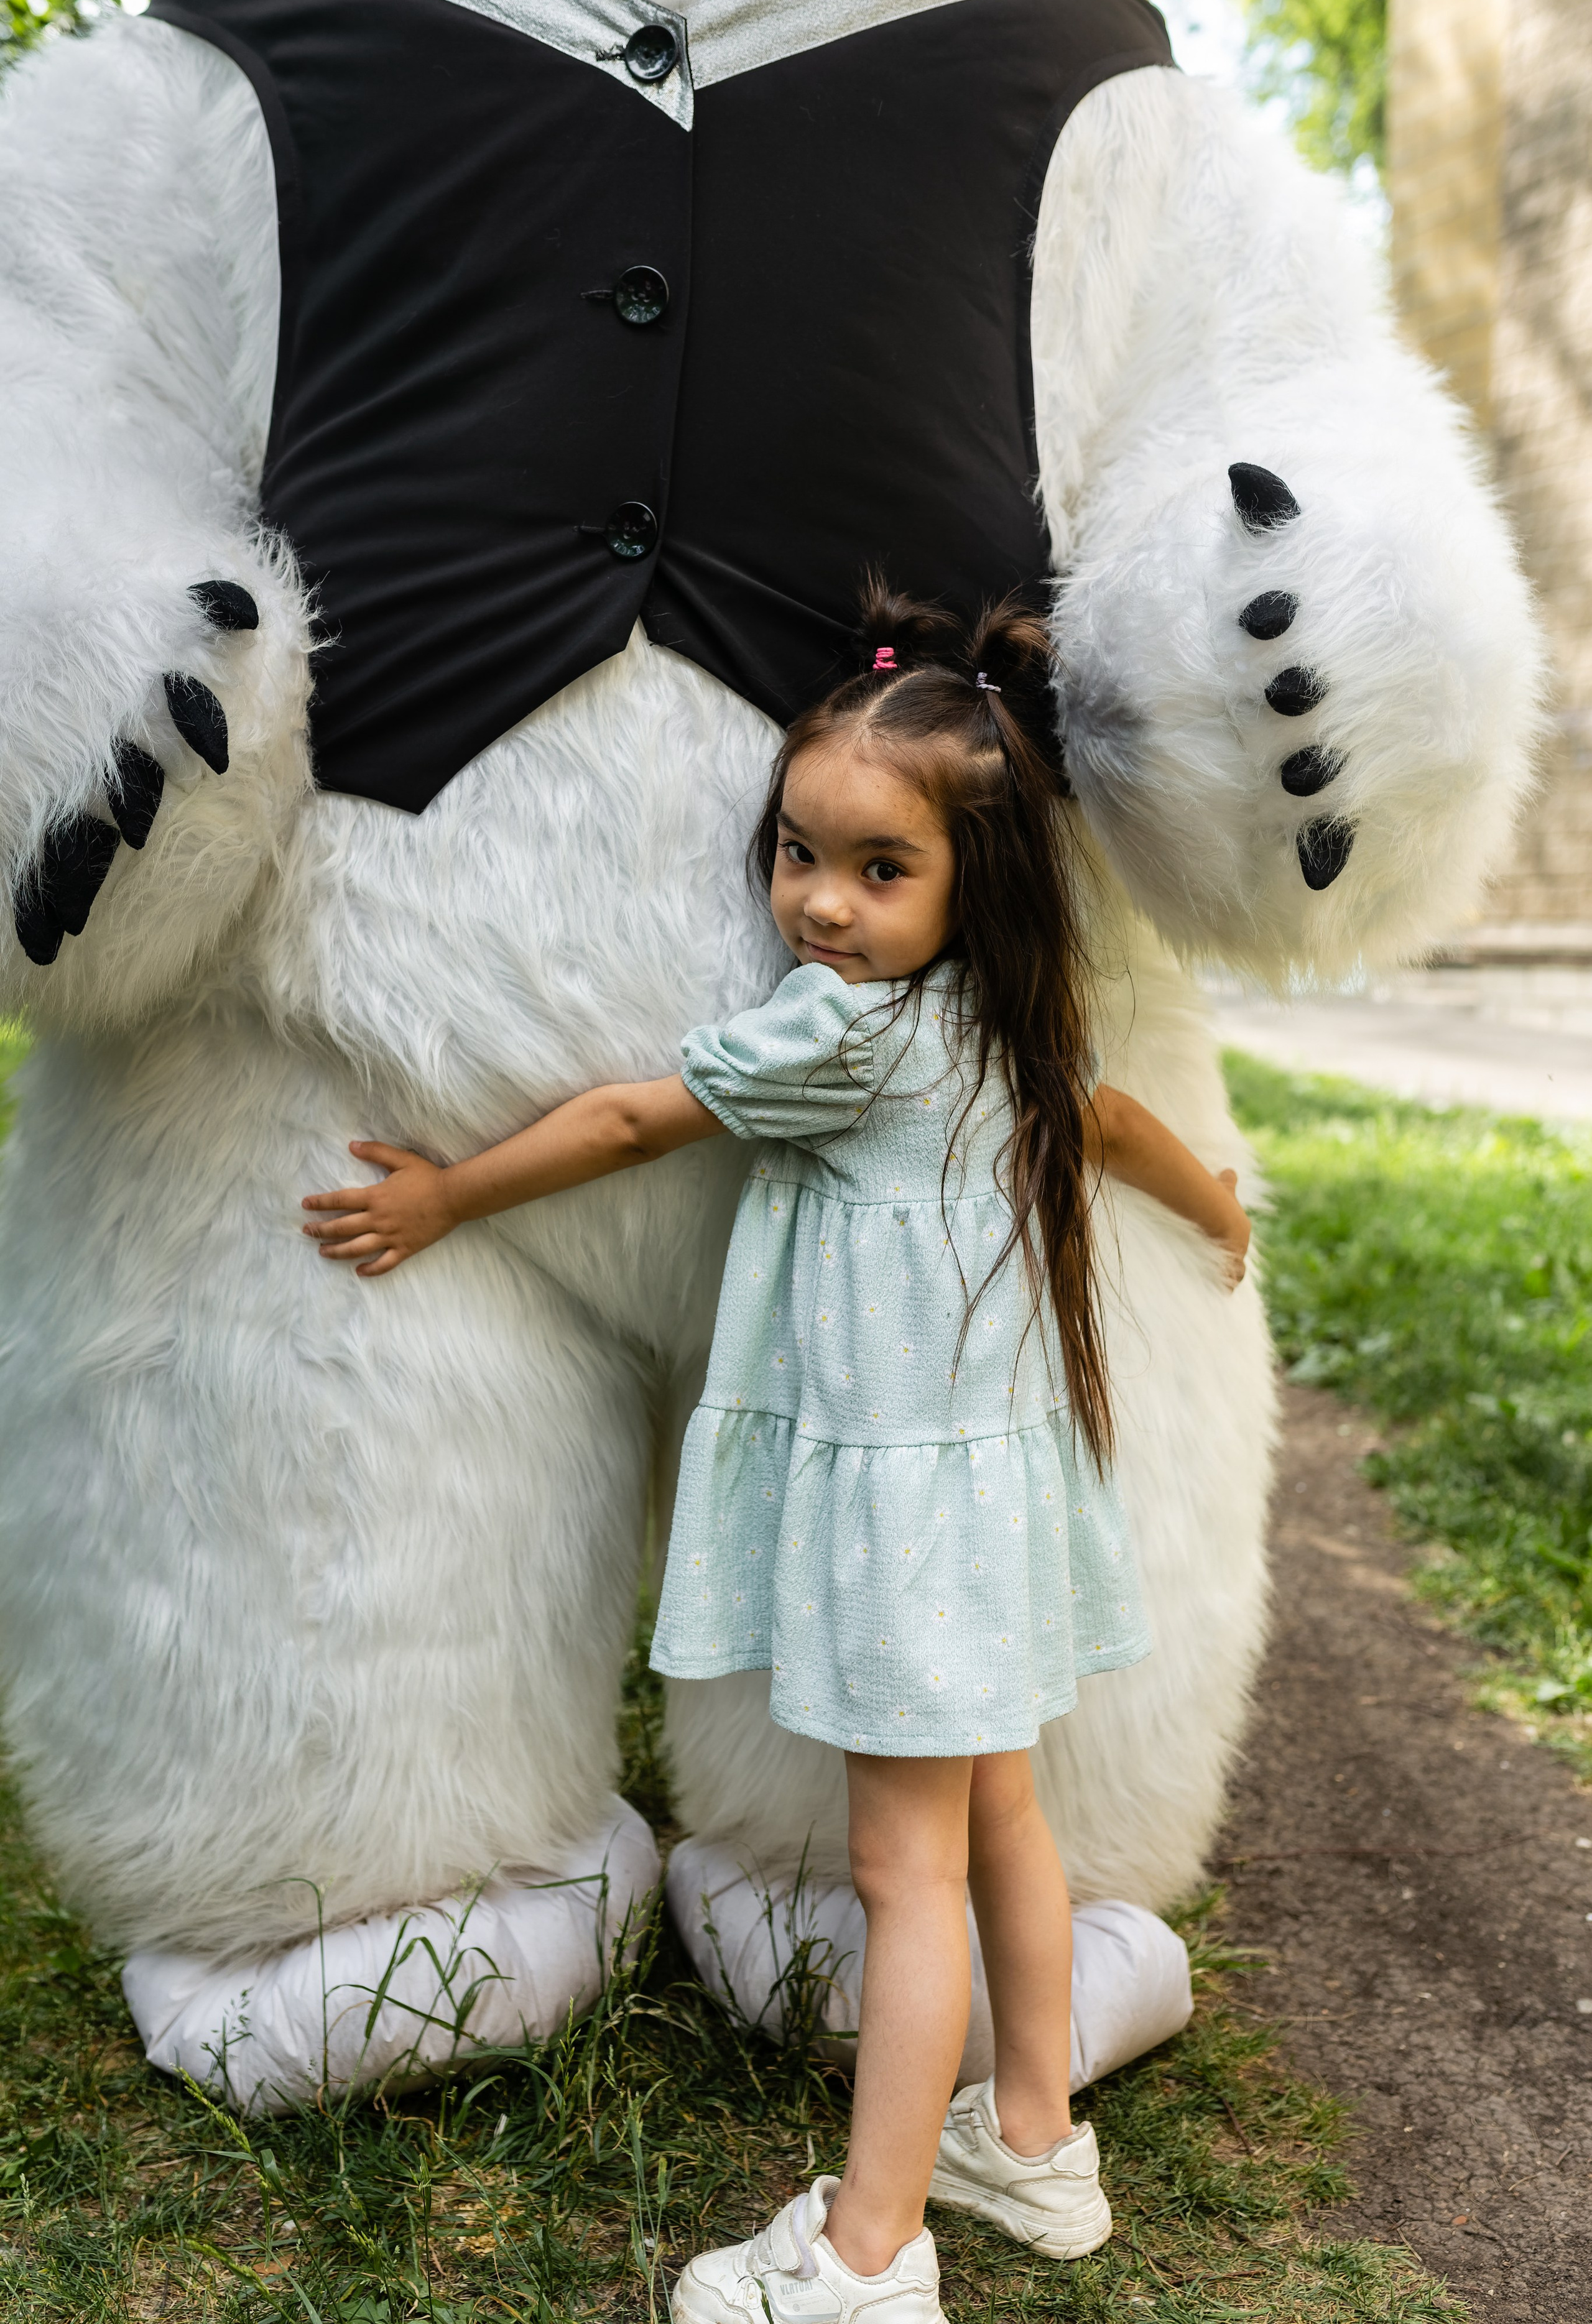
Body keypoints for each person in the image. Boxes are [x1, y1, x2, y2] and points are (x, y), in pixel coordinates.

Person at [302, 585, 1251, 2323]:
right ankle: (1034, 2141)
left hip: (908, 1513)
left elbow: (627, 1120)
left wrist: (447, 1194)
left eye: (879, 869)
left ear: (975, 880)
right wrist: (1219, 1206)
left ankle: (868, 2255)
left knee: (906, 1879)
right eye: (798, 853)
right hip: (998, 1493)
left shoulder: (841, 1035)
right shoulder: (1005, 1026)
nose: (818, 902)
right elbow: (1117, 1122)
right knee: (1006, 1820)